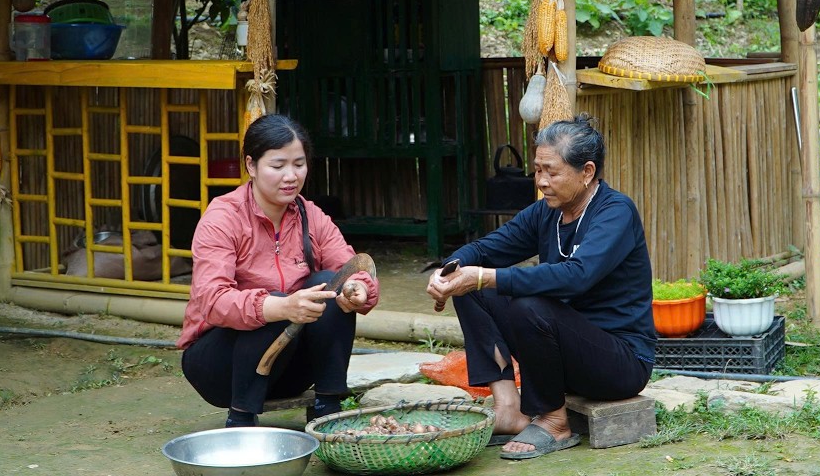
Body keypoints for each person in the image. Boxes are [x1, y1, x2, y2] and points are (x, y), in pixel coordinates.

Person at [426, 116, 655, 460]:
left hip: (619, 364)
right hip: (564, 357)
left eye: (552, 172)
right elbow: (488, 248)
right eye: (537, 170)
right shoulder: (546, 212)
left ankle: (553, 421)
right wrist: (450, 270)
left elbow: (577, 275)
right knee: (471, 288)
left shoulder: (615, 212)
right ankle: (507, 407)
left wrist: (489, 276)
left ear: (587, 172)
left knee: (527, 303)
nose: (542, 182)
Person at [178, 114, 380, 427]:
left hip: (288, 367)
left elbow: (350, 266)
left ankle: (328, 408)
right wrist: (281, 305)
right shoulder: (223, 217)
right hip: (220, 369)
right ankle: (241, 419)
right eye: (278, 165)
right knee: (275, 302)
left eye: (298, 164)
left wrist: (359, 289)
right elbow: (213, 300)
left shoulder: (310, 215)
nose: (290, 176)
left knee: (331, 283)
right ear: (251, 166)